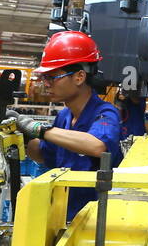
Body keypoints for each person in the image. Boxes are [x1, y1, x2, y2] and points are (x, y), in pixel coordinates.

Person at [14, 30, 122, 222]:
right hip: (64, 215)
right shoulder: (64, 116)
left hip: (94, 220)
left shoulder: (105, 112)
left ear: (79, 77)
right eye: (44, 78)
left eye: (52, 77)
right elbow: (44, 154)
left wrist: (39, 129)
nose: (45, 84)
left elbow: (97, 145)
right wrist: (19, 136)